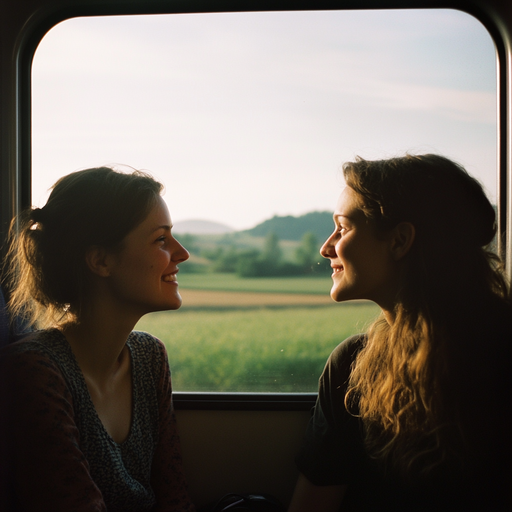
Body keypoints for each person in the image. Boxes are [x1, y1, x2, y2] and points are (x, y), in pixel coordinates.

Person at [288, 154, 511, 512]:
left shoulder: (352, 367)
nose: (326, 247)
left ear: (399, 240)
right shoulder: (350, 367)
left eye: (343, 228)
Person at [0, 167, 195, 512]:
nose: (182, 254)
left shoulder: (149, 356)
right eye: (161, 239)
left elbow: (173, 495)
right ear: (101, 261)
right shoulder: (35, 370)